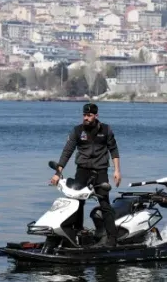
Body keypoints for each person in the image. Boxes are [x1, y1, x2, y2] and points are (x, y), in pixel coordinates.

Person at [50, 102, 122, 247]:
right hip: (82, 171)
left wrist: (117, 170)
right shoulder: (77, 131)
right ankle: (77, 233)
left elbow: (114, 150)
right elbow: (67, 152)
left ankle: (112, 238)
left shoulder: (106, 130)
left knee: (104, 204)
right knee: (77, 203)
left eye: (89, 115)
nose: (86, 118)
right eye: (84, 115)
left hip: (100, 172)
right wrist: (58, 173)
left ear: (96, 115)